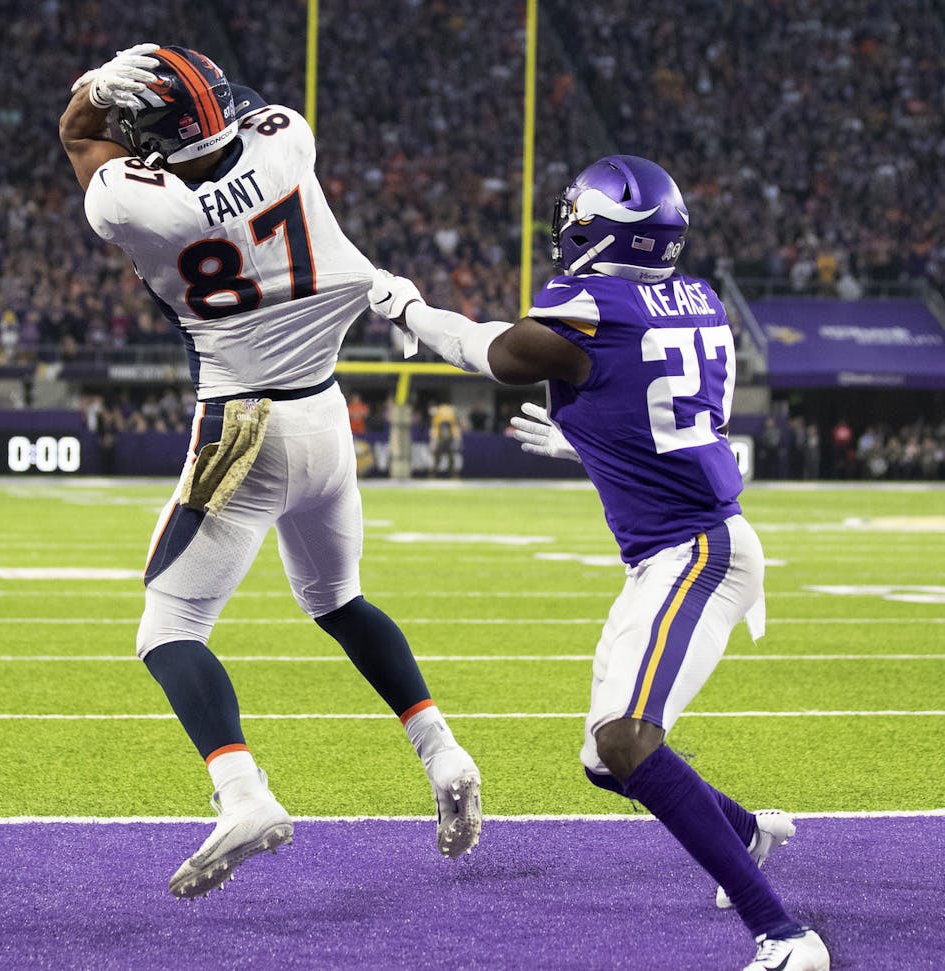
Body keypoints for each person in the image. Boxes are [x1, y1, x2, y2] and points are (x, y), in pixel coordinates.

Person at [369, 156, 828, 971]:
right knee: (602, 758)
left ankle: (785, 934)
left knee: (627, 739)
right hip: (684, 544)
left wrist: (409, 308)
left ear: (599, 226)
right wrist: (586, 439)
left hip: (695, 553)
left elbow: (490, 352)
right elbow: (667, 422)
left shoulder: (592, 303)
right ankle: (747, 830)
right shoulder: (704, 298)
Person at [60, 43, 482, 899]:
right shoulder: (288, 138)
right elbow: (233, 110)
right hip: (326, 415)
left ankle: (242, 792)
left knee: (169, 625)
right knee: (339, 599)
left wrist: (102, 85)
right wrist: (172, 87)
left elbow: (80, 135)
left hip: (242, 421)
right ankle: (442, 750)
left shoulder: (134, 206)